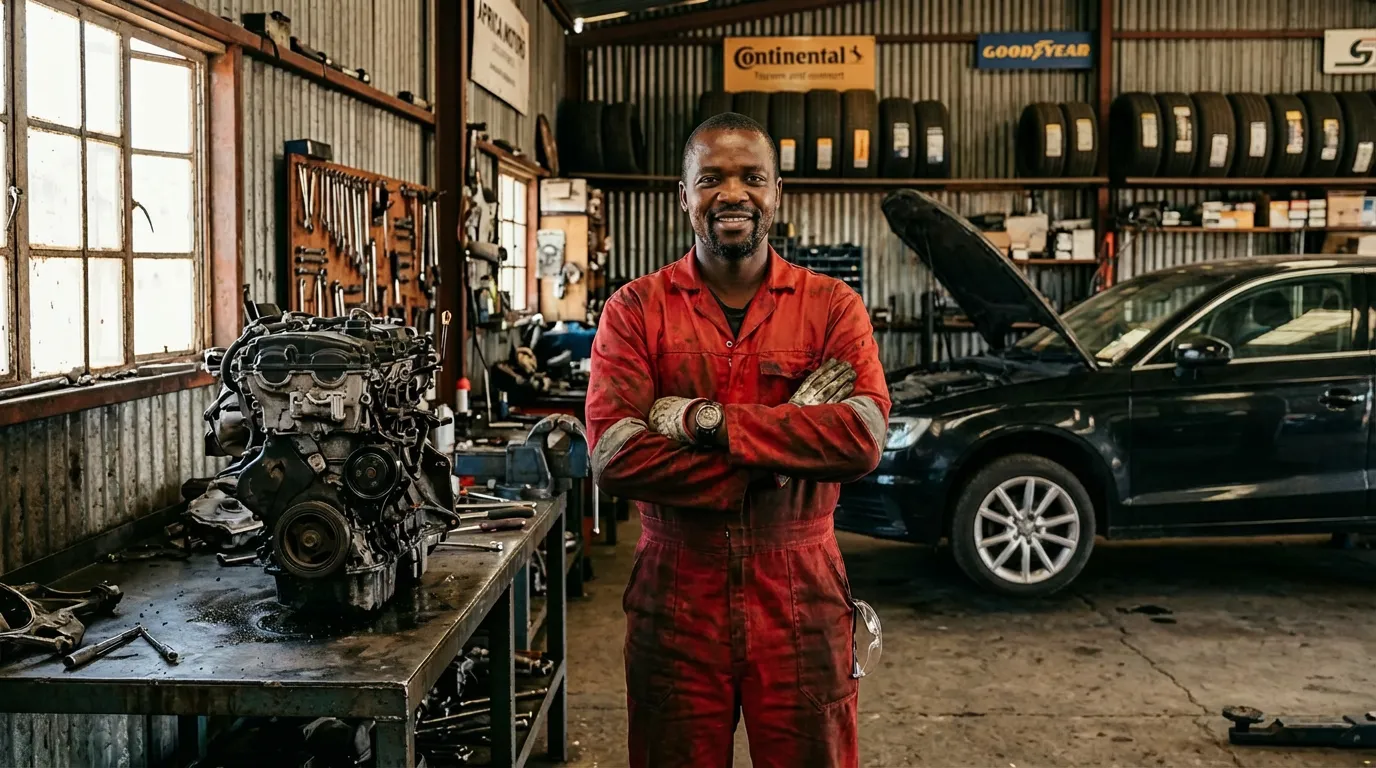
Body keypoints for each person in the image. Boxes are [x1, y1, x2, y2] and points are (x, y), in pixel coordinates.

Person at [586, 111, 890, 768]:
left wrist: (704, 423)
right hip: (677, 593)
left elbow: (861, 438)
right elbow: (615, 456)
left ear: (777, 192)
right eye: (711, 179)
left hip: (802, 593)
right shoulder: (635, 310)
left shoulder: (832, 307)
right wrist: (781, 452)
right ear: (684, 195)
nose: (732, 194)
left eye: (752, 177)